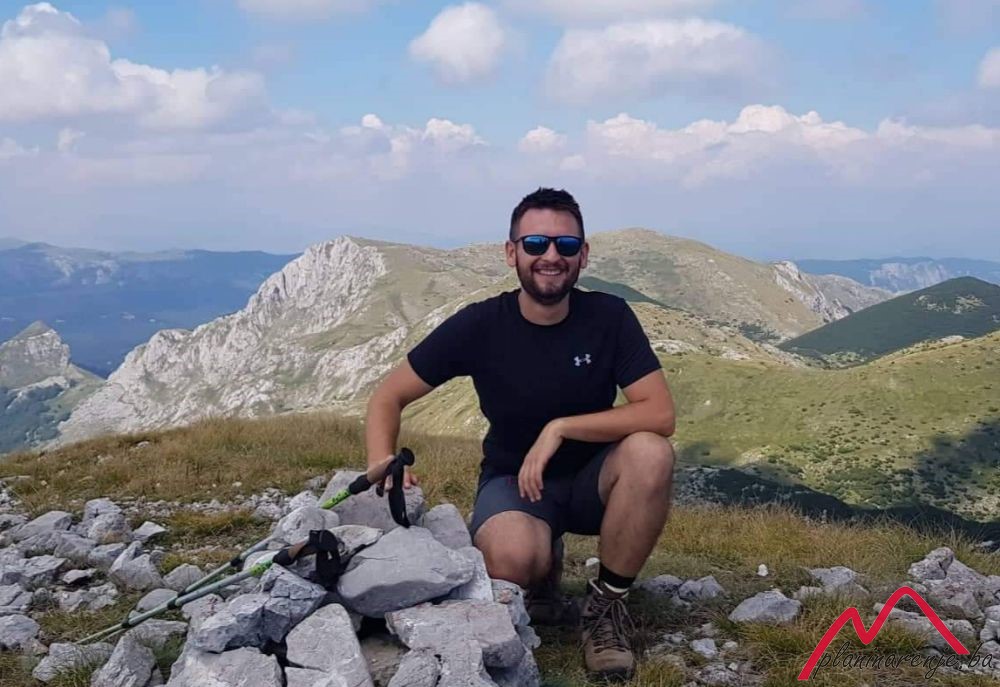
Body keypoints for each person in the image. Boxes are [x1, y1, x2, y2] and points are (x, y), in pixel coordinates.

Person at [364, 187, 676, 681]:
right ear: (511, 253)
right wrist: (381, 460)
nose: (551, 256)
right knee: (511, 559)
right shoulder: (480, 325)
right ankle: (542, 568)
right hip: (515, 481)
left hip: (596, 482)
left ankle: (605, 607)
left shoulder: (610, 317)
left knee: (651, 453)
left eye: (565, 245)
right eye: (535, 244)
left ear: (583, 255)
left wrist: (561, 428)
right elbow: (388, 395)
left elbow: (659, 414)